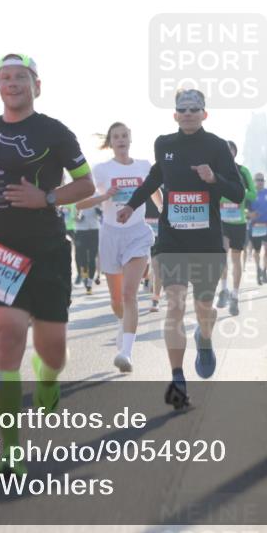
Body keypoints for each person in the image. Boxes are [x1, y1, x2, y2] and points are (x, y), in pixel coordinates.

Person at [0, 53, 95, 476]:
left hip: (49, 248)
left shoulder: (55, 131)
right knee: (8, 337)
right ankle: (11, 447)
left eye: (20, 77)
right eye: (5, 77)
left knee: (53, 352)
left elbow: (87, 184)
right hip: (3, 249)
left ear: (37, 85)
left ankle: (46, 379)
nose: (12, 84)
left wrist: (46, 198)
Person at [118, 89, 243, 408]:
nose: (188, 113)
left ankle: (205, 337)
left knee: (204, 308)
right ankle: (177, 378)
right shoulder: (165, 144)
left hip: (206, 242)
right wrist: (132, 206)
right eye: (182, 109)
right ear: (174, 115)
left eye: (194, 109)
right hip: (172, 239)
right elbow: (153, 178)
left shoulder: (216, 146)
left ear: (204, 113)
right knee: (174, 303)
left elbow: (238, 193)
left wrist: (214, 178)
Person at [77, 122, 155, 373]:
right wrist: (105, 195)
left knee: (129, 293)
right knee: (116, 298)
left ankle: (126, 353)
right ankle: (122, 323)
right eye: (116, 137)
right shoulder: (101, 170)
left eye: (124, 136)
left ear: (130, 139)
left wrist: (165, 212)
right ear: (110, 142)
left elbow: (154, 192)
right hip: (110, 234)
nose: (121, 140)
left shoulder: (144, 166)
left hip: (137, 233)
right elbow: (80, 204)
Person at [216, 140, 256, 316]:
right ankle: (223, 290)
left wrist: (237, 193)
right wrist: (224, 198)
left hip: (238, 223)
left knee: (236, 259)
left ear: (234, 152)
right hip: (222, 221)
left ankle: (235, 295)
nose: (227, 153)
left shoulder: (243, 171)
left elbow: (253, 194)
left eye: (229, 150)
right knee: (222, 256)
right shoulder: (216, 170)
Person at [72, 205, 99, 294]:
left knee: (92, 258)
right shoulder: (76, 197)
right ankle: (85, 277)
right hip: (81, 231)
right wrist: (78, 217)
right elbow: (74, 217)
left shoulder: (97, 194)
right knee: (83, 259)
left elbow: (103, 212)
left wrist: (99, 210)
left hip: (94, 230)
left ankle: (89, 284)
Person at [144, 195, 163, 312]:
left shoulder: (166, 183)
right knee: (144, 267)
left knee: (157, 266)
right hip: (142, 232)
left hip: (159, 232)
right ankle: (146, 278)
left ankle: (155, 300)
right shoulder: (141, 183)